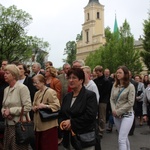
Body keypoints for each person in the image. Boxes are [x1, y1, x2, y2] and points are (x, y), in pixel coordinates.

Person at [59, 68, 98, 150]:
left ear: (81, 80)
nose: (71, 80)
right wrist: (62, 123)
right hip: (69, 139)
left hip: (84, 138)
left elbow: (90, 116)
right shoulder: (67, 97)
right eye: (69, 78)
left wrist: (71, 122)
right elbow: (62, 114)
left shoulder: (90, 96)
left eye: (74, 78)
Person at [1, 64, 32, 150]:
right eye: (4, 73)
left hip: (19, 127)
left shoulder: (22, 88)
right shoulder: (6, 89)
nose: (5, 75)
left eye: (7, 73)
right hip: (8, 126)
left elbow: (27, 107)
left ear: (14, 75)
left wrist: (11, 111)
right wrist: (5, 113)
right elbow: (3, 106)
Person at [32, 74, 60, 150]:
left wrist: (45, 106)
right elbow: (34, 104)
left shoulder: (50, 92)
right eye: (34, 83)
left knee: (48, 146)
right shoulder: (36, 93)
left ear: (42, 82)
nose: (35, 85)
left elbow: (57, 106)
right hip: (38, 125)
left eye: (36, 82)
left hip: (48, 126)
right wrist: (34, 108)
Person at [110, 66, 135, 150]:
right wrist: (114, 110)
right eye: (117, 72)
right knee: (124, 137)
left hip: (127, 115)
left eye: (120, 72)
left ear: (125, 74)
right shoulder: (115, 85)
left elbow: (130, 102)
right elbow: (112, 99)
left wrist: (118, 111)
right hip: (116, 115)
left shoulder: (130, 86)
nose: (118, 74)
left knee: (121, 139)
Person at [94, 65, 112, 137]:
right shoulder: (95, 81)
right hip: (96, 100)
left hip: (103, 101)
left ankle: (101, 130)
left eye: (97, 72)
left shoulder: (106, 81)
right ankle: (97, 128)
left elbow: (105, 92)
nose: (96, 73)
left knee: (102, 116)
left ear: (101, 72)